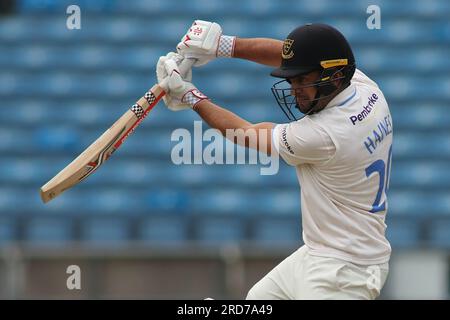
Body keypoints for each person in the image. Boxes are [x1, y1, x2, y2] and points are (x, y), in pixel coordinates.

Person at [156, 21, 393, 300]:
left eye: (303, 80)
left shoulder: (325, 135)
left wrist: (190, 96)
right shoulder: (366, 89)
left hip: (344, 273)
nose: (295, 90)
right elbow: (293, 53)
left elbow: (245, 133)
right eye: (293, 80)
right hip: (320, 253)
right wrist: (224, 45)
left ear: (335, 77)